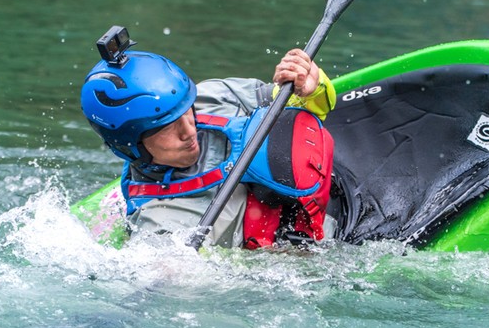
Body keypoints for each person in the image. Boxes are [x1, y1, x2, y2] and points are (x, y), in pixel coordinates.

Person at [80, 26, 336, 248]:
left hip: (340, 183)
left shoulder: (214, 96)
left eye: (186, 108)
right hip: (319, 250)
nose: (189, 130)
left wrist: (310, 86)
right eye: (166, 127)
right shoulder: (160, 222)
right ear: (130, 147)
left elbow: (308, 107)